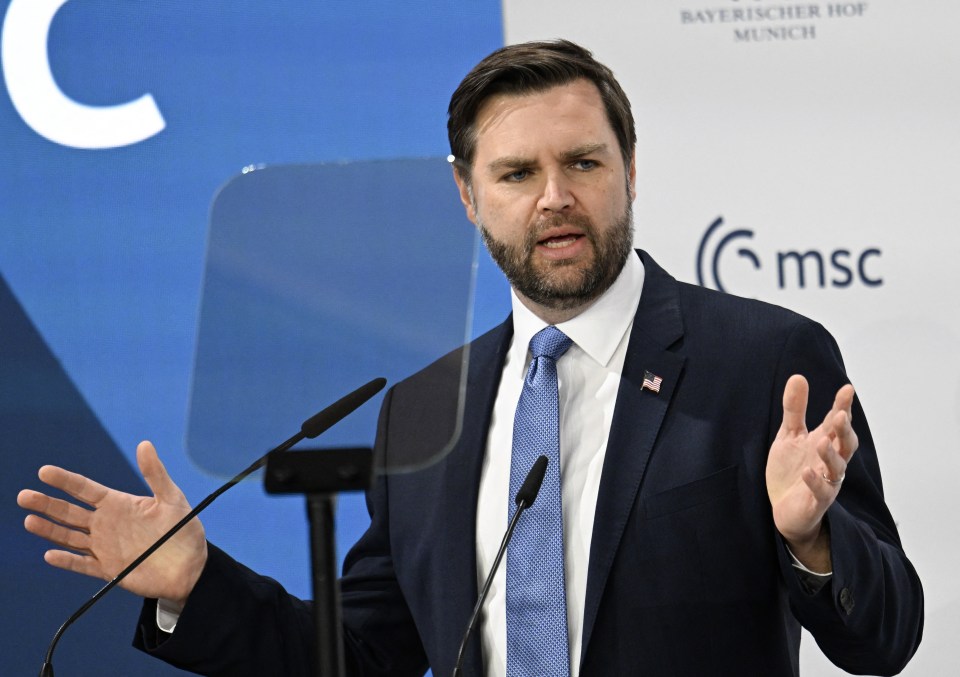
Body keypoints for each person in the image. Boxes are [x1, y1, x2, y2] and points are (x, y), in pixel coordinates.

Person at [18, 40, 922, 676]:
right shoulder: (423, 410)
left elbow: (886, 638)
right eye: (516, 173)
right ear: (466, 194)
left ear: (632, 169)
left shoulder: (765, 362)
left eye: (584, 163)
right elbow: (364, 656)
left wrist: (810, 539)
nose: (555, 198)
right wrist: (196, 584)